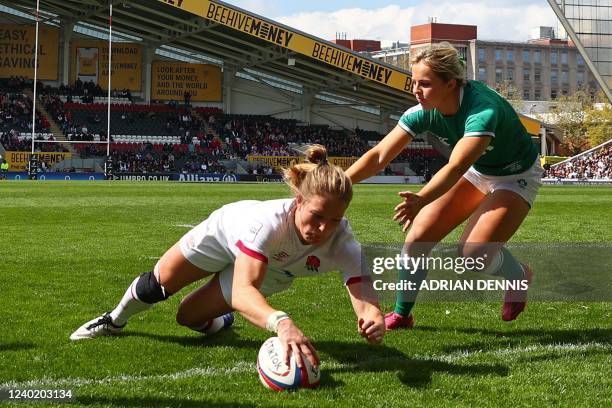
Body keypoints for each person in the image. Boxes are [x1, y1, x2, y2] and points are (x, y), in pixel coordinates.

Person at [70, 145, 384, 368]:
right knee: (159, 284)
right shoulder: (266, 223)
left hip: (271, 271)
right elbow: (244, 289)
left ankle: (225, 319)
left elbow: (361, 288)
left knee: (188, 317)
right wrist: (281, 322)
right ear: (299, 201)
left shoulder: (342, 240)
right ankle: (114, 320)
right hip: (223, 235)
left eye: (333, 220)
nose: (323, 228)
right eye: (316, 215)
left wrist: (373, 317)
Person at [346, 42, 542, 330]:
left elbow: (456, 166)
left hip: (516, 175)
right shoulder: (423, 110)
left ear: (451, 84)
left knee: (472, 254)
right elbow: (378, 155)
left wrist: (422, 199)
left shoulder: (482, 109)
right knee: (417, 239)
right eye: (414, 82)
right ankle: (403, 314)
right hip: (479, 170)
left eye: (424, 84)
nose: (415, 90)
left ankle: (519, 274)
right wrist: (341, 181)